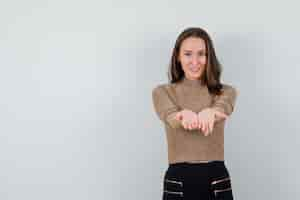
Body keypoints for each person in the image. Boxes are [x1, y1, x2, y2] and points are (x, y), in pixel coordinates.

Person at [152, 27, 238, 200]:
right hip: (179, 181)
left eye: (201, 54)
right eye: (188, 54)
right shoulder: (163, 92)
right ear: (178, 57)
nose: (195, 61)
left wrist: (212, 112)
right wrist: (182, 115)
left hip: (216, 180)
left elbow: (223, 106)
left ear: (209, 57)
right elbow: (170, 116)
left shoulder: (226, 91)